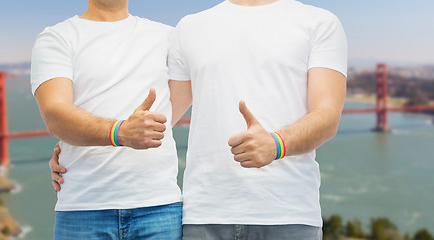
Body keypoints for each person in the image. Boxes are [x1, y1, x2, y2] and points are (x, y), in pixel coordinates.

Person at [52, 0, 346, 239]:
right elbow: (159, 117)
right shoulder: (190, 27)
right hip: (203, 216)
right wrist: (70, 150)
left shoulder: (319, 23)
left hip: (289, 215)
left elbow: (327, 116)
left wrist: (277, 144)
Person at [31, 0, 190, 239]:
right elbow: (55, 114)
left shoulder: (168, 38)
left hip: (159, 206)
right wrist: (122, 132)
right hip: (83, 210)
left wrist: (146, 130)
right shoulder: (57, 37)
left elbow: (180, 98)